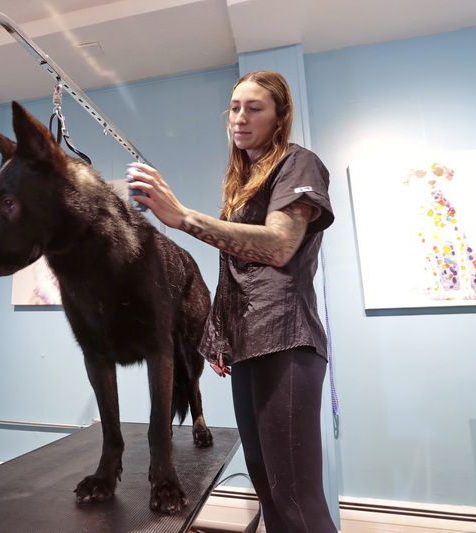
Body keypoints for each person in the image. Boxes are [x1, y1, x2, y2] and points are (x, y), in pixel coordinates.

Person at [126, 70, 336, 532]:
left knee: (298, 499)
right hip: (248, 347)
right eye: (234, 108)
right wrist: (220, 334)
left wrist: (182, 218)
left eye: (254, 108)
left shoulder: (299, 164)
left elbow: (279, 246)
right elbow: (237, 269)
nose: (240, 118)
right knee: (269, 488)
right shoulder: (242, 179)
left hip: (286, 342)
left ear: (280, 117)